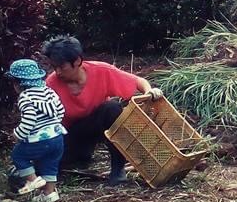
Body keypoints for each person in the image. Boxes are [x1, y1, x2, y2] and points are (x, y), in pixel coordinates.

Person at [41, 35, 162, 185]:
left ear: (77, 61)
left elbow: (139, 81)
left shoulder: (100, 71)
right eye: (55, 67)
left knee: (112, 108)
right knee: (49, 166)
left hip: (96, 126)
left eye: (62, 67)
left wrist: (150, 92)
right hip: (68, 135)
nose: (58, 72)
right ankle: (79, 158)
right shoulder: (51, 84)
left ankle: (118, 169)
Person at [7, 59, 66, 202]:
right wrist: (52, 126)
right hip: (58, 137)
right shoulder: (49, 92)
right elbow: (61, 111)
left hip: (40, 139)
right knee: (50, 164)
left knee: (18, 155)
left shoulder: (25, 97)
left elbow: (29, 119)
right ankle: (49, 194)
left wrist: (18, 134)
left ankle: (33, 181)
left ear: (17, 84)